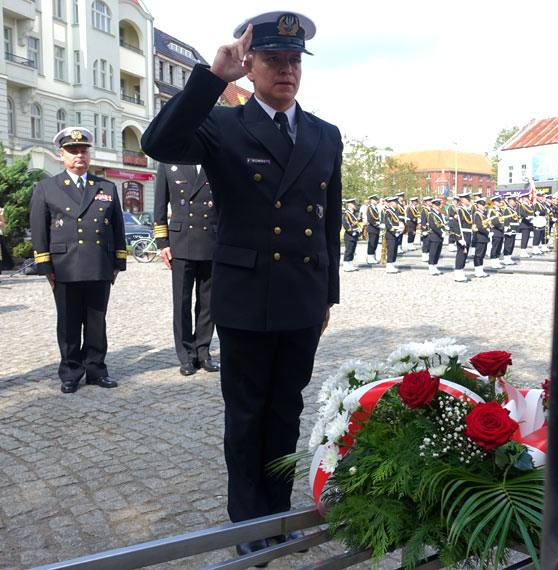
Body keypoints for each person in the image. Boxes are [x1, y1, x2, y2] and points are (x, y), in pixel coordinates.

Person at [140, 11, 342, 560]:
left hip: (302, 296)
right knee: (247, 413)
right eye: (274, 59)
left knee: (286, 411)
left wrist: (329, 294)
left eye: (294, 60)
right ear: (249, 66)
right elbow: (158, 141)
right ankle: (247, 522)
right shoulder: (222, 125)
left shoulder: (325, 134)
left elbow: (329, 220)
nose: (287, 70)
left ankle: (280, 515)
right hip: (246, 296)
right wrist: (211, 77)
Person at [29, 127, 126, 393]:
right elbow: (39, 230)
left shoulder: (106, 186)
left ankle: (96, 369)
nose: (79, 156)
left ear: (89, 155)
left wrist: (118, 262)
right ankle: (70, 371)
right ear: (62, 155)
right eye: (72, 152)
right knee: (69, 322)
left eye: (83, 151)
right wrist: (45, 267)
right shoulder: (47, 187)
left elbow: (117, 227)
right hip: (65, 266)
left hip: (99, 264)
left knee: (97, 321)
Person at [154, 162, 219, 376]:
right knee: (181, 302)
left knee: (208, 302)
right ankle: (186, 355)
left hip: (211, 240)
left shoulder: (215, 161)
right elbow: (159, 206)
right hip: (180, 242)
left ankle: (203, 351)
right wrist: (162, 242)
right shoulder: (168, 164)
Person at [452, 193, 473, 282]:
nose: (469, 201)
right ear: (463, 200)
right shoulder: (460, 210)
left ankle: (461, 272)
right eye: (468, 199)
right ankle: (458, 273)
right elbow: (456, 225)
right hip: (463, 235)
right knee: (461, 254)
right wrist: (459, 237)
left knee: (464, 254)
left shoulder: (466, 210)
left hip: (467, 234)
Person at [383, 196, 401, 274]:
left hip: (396, 233)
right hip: (391, 234)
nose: (397, 204)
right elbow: (388, 224)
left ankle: (392, 264)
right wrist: (394, 232)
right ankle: (389, 266)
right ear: (390, 203)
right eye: (395, 202)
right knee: (390, 250)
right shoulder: (388, 211)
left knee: (394, 250)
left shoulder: (395, 211)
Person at [473, 197, 489, 278]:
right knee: (478, 254)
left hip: (484, 237)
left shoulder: (483, 214)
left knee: (482, 254)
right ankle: (477, 270)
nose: (484, 206)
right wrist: (488, 232)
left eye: (484, 204)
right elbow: (479, 226)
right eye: (482, 205)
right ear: (478, 205)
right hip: (479, 236)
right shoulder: (477, 214)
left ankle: (480, 269)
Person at [427, 198, 444, 275]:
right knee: (433, 252)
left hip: (439, 236)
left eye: (439, 205)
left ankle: (435, 266)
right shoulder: (431, 214)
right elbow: (433, 226)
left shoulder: (439, 214)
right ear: (433, 205)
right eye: (436, 205)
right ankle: (431, 267)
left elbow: (441, 224)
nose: (438, 207)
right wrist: (441, 232)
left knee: (438, 252)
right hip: (434, 235)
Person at [342, 198, 360, 271]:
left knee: (352, 250)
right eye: (353, 203)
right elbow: (346, 224)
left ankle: (350, 263)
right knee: (348, 250)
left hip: (354, 234)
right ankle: (346, 264)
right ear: (348, 204)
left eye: (354, 203)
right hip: (349, 235)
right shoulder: (347, 213)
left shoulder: (353, 213)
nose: (355, 205)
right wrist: (352, 232)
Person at [488, 195, 504, 269]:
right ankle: (493, 262)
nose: (500, 203)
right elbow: (495, 222)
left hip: (500, 231)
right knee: (495, 247)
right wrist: (502, 226)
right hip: (495, 230)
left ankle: (497, 261)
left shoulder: (500, 210)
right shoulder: (492, 211)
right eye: (498, 201)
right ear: (494, 202)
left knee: (499, 247)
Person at [502, 194, 518, 266]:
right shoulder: (507, 209)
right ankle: (506, 258)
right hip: (509, 228)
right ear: (510, 201)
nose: (515, 202)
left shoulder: (512, 209)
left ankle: (509, 257)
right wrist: (507, 229)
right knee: (508, 244)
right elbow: (506, 219)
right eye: (514, 201)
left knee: (512, 244)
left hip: (514, 228)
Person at [517, 192, 534, 257]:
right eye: (527, 198)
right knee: (524, 238)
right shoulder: (522, 205)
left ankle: (524, 251)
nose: (528, 199)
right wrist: (529, 220)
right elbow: (522, 213)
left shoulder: (528, 205)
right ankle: (522, 251)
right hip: (525, 223)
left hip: (528, 224)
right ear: (524, 198)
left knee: (527, 238)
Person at [366, 194, 381, 264]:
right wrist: (377, 224)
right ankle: (370, 258)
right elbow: (370, 219)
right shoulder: (370, 208)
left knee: (375, 243)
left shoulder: (375, 208)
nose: (376, 201)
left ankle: (373, 257)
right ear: (371, 200)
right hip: (372, 228)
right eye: (375, 200)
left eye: (377, 200)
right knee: (371, 244)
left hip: (376, 229)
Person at [420, 196, 432, 262]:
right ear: (426, 202)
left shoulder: (429, 209)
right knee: (426, 243)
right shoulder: (424, 209)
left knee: (429, 242)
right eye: (429, 201)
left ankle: (427, 254)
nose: (431, 202)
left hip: (430, 228)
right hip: (426, 228)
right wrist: (424, 230)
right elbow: (423, 220)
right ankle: (424, 255)